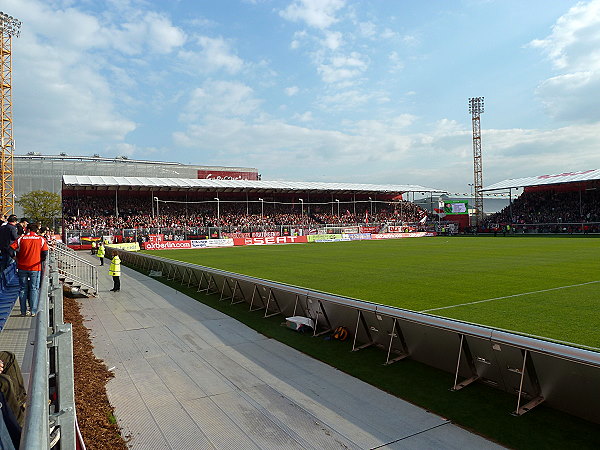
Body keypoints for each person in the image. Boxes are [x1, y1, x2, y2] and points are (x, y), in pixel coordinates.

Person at [10, 223, 48, 316]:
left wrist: (14, 257)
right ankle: (33, 311)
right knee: (34, 288)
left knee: (23, 289)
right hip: (35, 267)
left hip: (22, 267)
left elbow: (10, 249)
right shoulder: (40, 239)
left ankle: (23, 311)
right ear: (36, 230)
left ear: (27, 229)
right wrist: (40, 259)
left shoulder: (21, 239)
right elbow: (45, 252)